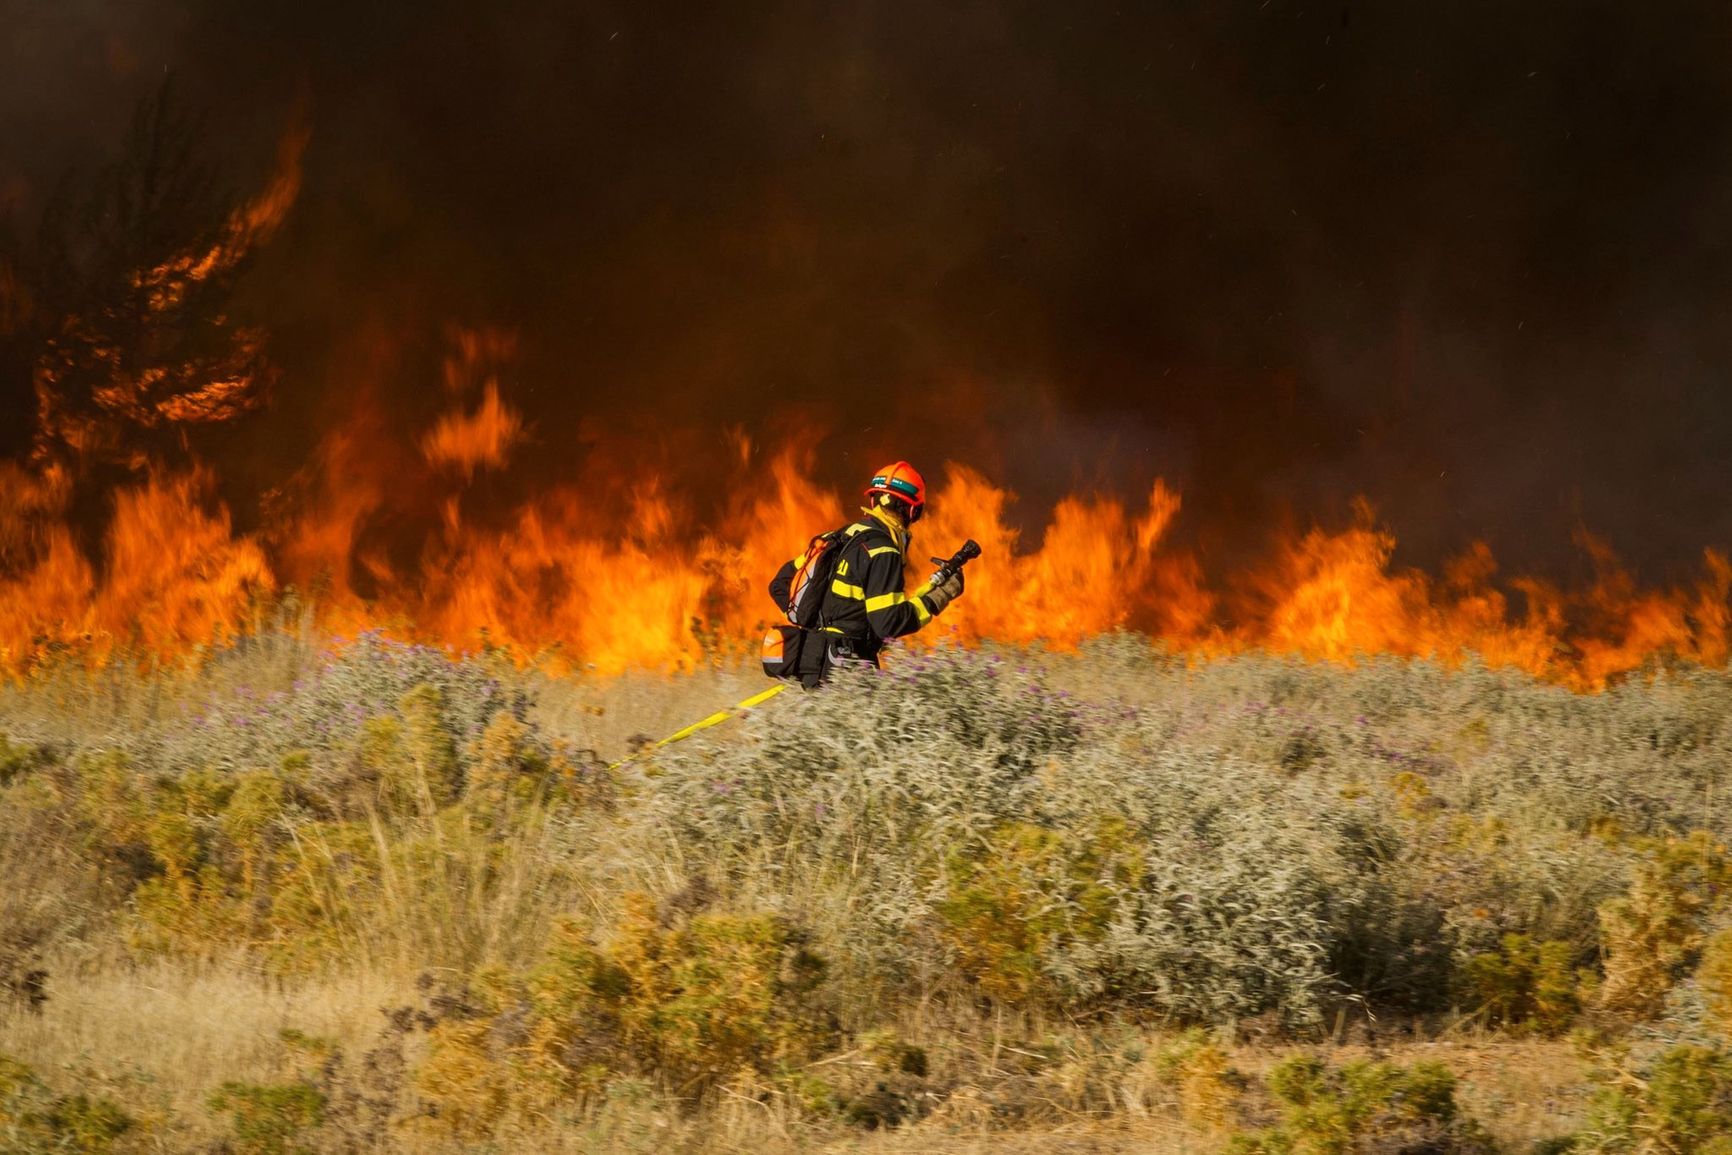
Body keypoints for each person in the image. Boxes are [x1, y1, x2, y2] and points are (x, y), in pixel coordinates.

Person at [769, 461, 965, 687]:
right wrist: (938, 597)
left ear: (873, 500)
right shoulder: (883, 551)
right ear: (913, 510)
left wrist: (813, 627)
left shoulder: (834, 539)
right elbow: (888, 623)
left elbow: (780, 584)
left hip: (809, 669)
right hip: (848, 676)